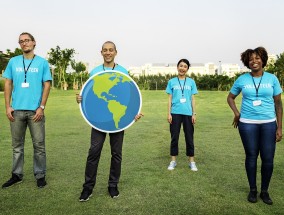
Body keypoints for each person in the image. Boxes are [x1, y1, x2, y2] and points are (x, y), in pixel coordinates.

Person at [76, 41, 143, 202]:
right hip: (98, 120)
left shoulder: (122, 71)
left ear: (115, 52)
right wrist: (80, 98)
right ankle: (87, 188)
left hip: (117, 119)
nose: (108, 53)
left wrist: (133, 113)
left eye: (110, 50)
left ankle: (113, 186)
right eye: (105, 50)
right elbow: (90, 96)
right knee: (94, 152)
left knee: (116, 154)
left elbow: (128, 95)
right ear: (101, 52)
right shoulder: (95, 71)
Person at [227, 47, 283, 205]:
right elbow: (230, 97)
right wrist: (237, 114)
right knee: (251, 156)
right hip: (247, 124)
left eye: (257, 58)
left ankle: (265, 191)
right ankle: (253, 190)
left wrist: (279, 127)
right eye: (251, 59)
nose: (254, 61)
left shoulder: (272, 79)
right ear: (247, 62)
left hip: (268, 123)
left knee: (268, 158)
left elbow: (278, 104)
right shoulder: (242, 79)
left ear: (263, 60)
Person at [2, 32, 52, 189]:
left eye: (27, 40)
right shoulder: (13, 62)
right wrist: (8, 106)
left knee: (39, 145)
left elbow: (47, 85)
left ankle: (40, 175)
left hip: (35, 112)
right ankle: (16, 175)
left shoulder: (42, 63)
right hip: (16, 111)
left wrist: (42, 107)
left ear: (34, 42)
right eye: (21, 41)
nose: (24, 43)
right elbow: (8, 83)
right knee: (17, 146)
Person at [166, 59, 198, 171]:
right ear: (177, 67)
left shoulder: (191, 82)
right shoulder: (171, 82)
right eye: (180, 66)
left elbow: (193, 98)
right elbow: (169, 98)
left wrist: (194, 113)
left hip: (188, 114)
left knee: (189, 137)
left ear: (187, 69)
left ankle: (192, 161)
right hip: (175, 113)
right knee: (174, 137)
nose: (182, 68)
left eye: (185, 66)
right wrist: (169, 113)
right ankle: (173, 161)